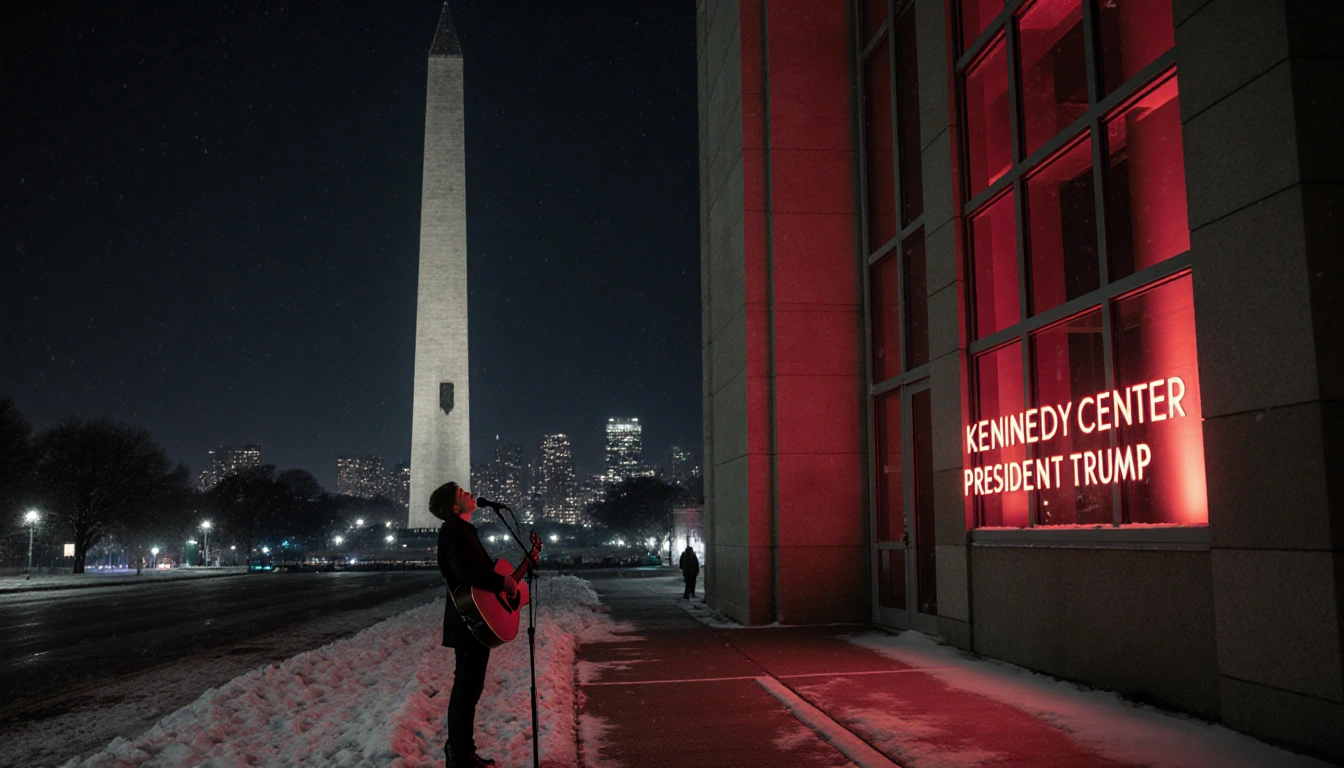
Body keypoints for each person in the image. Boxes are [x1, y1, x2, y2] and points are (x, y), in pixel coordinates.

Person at [432, 481, 518, 768]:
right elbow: (466, 572)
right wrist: (501, 582)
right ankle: (459, 756)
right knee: (466, 690)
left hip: (474, 620)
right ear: (454, 507)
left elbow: (476, 570)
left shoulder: (462, 531)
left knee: (470, 689)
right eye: (462, 493)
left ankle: (462, 752)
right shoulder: (454, 531)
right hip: (468, 621)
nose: (469, 493)